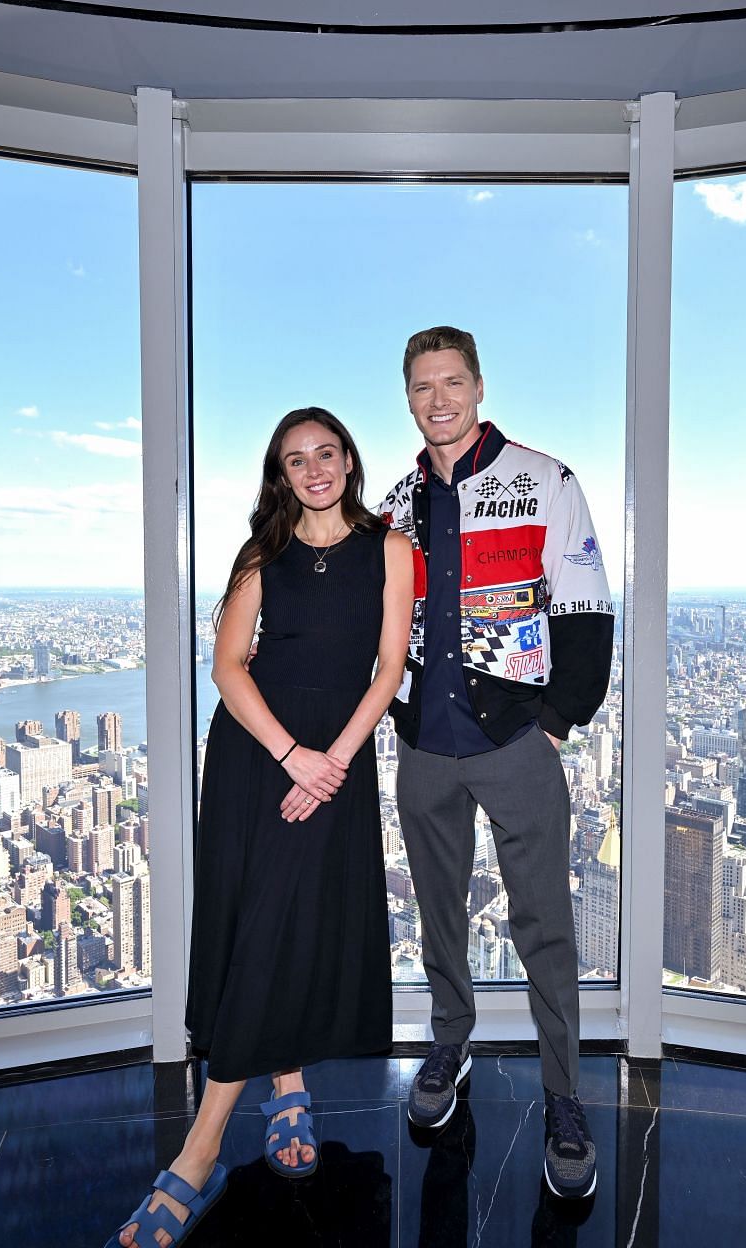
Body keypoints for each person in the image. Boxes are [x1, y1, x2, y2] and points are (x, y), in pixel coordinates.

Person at [117, 408, 413, 1247]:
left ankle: (221, 1136)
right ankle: (254, 1110)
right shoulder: (263, 555)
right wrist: (292, 757)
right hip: (258, 755)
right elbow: (226, 666)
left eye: (326, 453)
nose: (314, 469)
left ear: (350, 460)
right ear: (279, 476)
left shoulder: (392, 550)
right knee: (260, 922)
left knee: (288, 922)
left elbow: (388, 668)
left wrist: (333, 764)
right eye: (295, 460)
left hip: (337, 761)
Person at [380, 326, 615, 1200]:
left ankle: (563, 1096)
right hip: (424, 745)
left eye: (452, 383)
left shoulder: (545, 481)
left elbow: (588, 611)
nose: (438, 400)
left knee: (544, 922)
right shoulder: (396, 503)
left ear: (478, 387)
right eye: (422, 386)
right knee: (439, 908)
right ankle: (451, 1041)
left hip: (514, 742)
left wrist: (553, 724)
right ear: (407, 397)